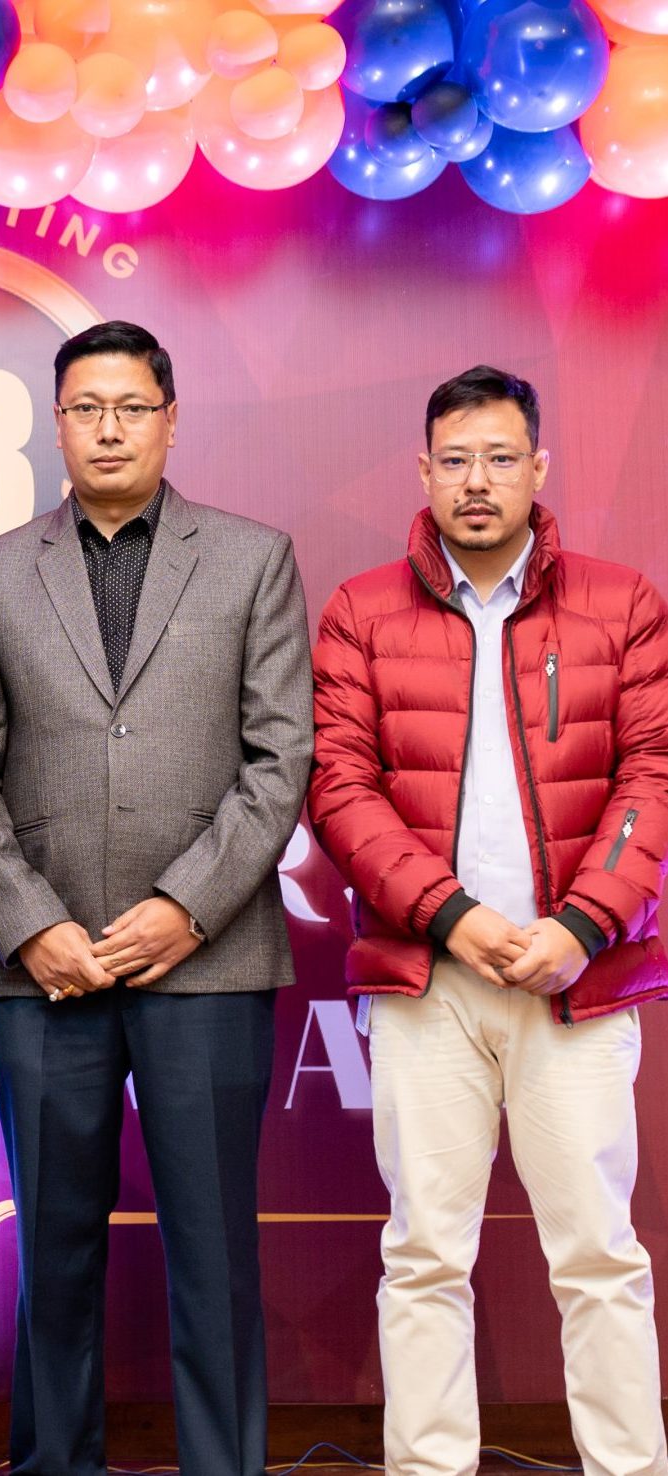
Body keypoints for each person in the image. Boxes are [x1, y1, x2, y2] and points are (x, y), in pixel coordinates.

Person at [0, 320, 313, 1476]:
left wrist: (185, 906)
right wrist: (29, 923)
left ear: (168, 418)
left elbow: (279, 761)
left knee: (213, 1255)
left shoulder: (250, 558)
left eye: (130, 407)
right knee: (50, 1257)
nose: (107, 428)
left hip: (206, 961)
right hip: (41, 970)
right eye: (84, 408)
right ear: (55, 423)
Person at [308, 365, 668, 1476]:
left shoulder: (621, 602)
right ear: (423, 472)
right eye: (455, 460)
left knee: (598, 1257)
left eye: (499, 458)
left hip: (576, 984)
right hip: (429, 983)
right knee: (422, 1257)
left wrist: (580, 926)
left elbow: (650, 777)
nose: (477, 481)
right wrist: (452, 917)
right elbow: (338, 788)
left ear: (537, 468)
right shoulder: (360, 610)